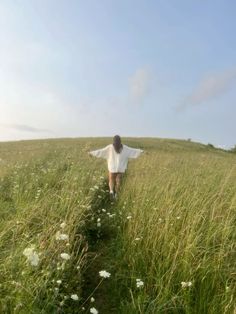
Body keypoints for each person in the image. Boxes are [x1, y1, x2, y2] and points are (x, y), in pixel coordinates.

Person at [88, 135, 144, 199]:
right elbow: (133, 151)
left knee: (111, 180)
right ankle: (116, 194)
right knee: (118, 181)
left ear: (113, 141)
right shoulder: (125, 148)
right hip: (121, 168)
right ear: (120, 141)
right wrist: (141, 151)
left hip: (112, 167)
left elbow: (101, 151)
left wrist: (91, 153)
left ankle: (111, 191)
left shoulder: (110, 147)